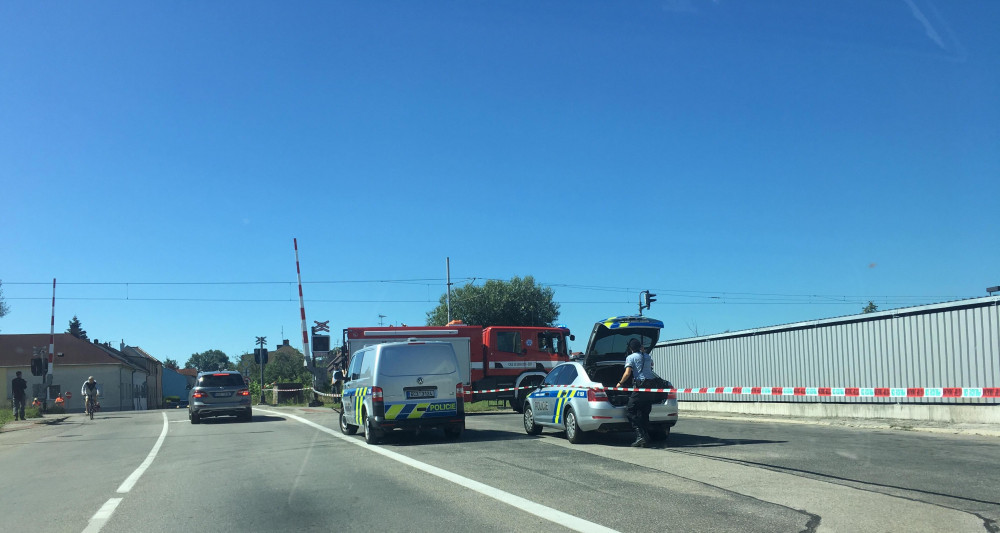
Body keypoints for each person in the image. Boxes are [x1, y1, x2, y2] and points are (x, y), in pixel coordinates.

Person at [616, 338, 655, 448]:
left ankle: (640, 435)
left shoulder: (630, 357)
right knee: (644, 411)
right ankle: (645, 436)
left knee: (630, 410)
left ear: (630, 348)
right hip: (651, 386)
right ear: (641, 346)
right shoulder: (647, 356)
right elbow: (651, 365)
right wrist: (643, 352)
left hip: (640, 386)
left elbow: (627, 373)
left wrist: (620, 383)